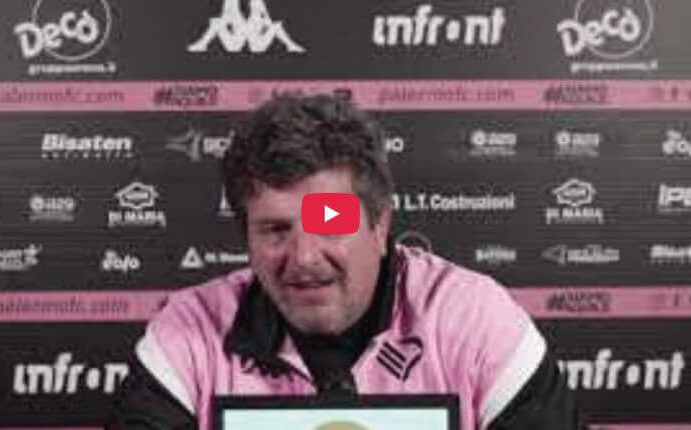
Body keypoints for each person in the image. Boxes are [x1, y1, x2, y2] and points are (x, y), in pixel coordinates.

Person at [106, 94, 578, 429]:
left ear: (380, 224)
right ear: (245, 236)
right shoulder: (189, 330)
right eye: (275, 230)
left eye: (331, 222)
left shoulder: (475, 321)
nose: (304, 257)